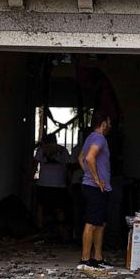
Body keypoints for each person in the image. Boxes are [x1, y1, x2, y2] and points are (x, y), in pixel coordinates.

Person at [78, 112, 113, 270]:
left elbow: (81, 158)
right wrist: (96, 178)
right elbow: (89, 158)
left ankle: (98, 258)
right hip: (94, 187)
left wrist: (89, 174)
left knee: (100, 223)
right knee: (92, 222)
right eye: (109, 123)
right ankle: (85, 260)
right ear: (104, 123)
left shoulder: (90, 138)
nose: (110, 126)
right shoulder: (99, 138)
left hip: (97, 187)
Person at [33, 133, 70, 240]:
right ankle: (61, 231)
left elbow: (35, 164)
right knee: (60, 208)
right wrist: (69, 181)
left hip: (44, 183)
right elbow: (67, 167)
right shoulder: (63, 150)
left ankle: (40, 230)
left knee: (41, 206)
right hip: (59, 184)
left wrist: (30, 178)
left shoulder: (41, 150)